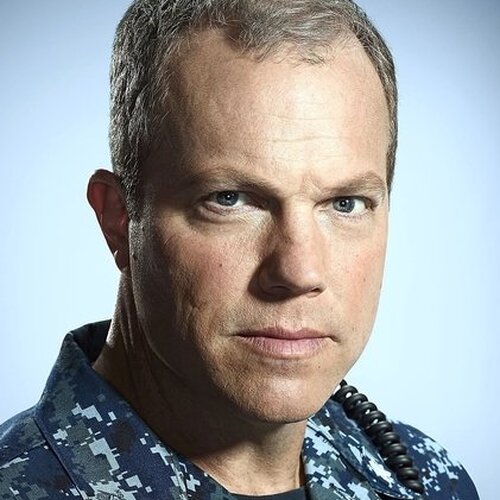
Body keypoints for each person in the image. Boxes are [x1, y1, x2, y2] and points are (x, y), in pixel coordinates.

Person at [0, 1, 479, 499]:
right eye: (228, 199)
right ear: (118, 220)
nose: (299, 271)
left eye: (345, 203)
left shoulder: (430, 479)